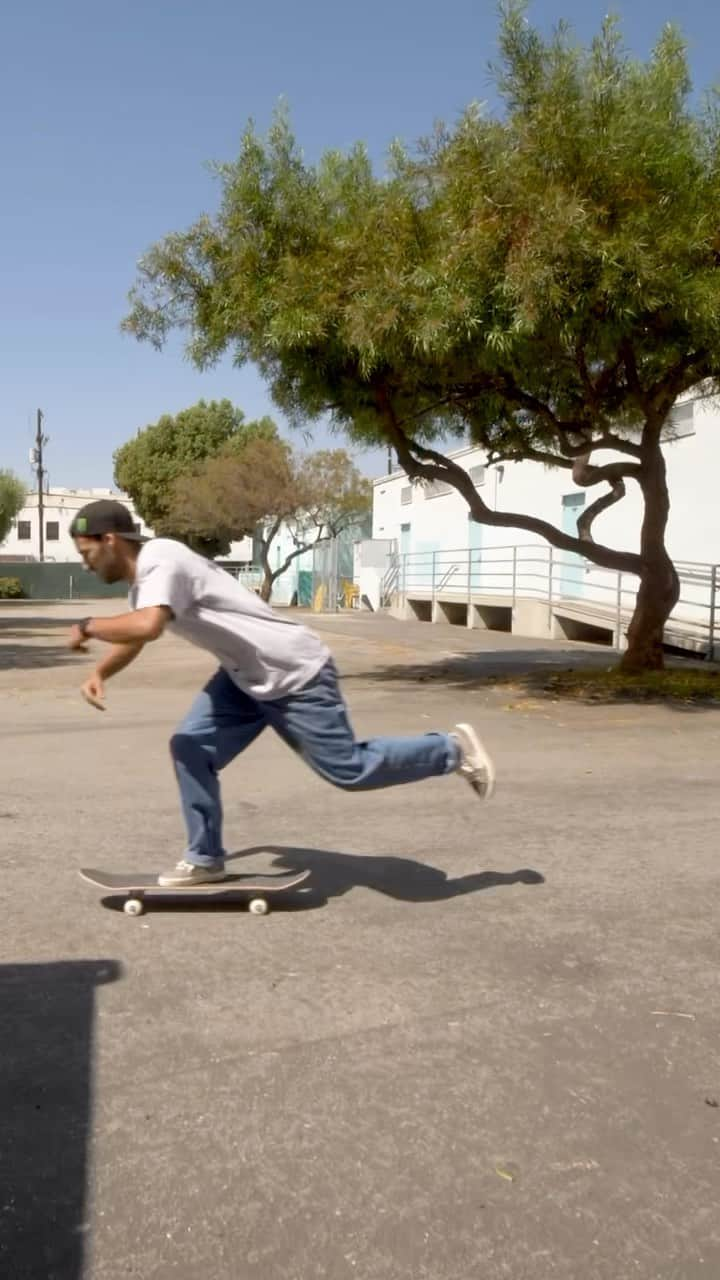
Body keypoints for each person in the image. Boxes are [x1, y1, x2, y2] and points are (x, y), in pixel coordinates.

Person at [67, 499, 496, 887]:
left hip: (294, 672)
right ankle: (205, 858)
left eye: (86, 552)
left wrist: (88, 626)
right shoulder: (144, 585)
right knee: (190, 746)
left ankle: (451, 750)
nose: (86, 564)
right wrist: (102, 671)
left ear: (109, 540)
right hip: (245, 678)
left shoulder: (161, 558)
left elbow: (147, 626)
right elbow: (138, 634)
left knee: (349, 770)